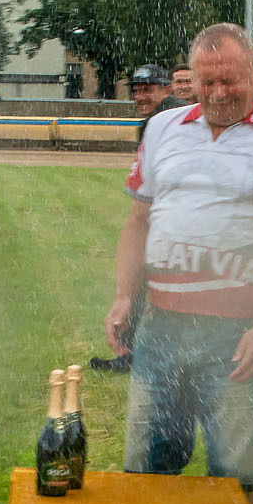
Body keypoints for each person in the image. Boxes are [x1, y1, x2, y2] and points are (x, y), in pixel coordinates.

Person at [104, 25, 253, 504]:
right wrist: (124, 297)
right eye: (207, 81)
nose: (218, 93)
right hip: (160, 328)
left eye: (230, 80)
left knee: (238, 477)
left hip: (234, 335)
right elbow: (138, 221)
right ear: (192, 78)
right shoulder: (163, 128)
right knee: (146, 468)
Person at [92, 65, 200, 372]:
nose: (140, 96)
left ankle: (143, 355)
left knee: (150, 285)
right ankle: (139, 353)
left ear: (166, 89)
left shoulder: (164, 119)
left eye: (147, 89)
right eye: (136, 90)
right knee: (145, 286)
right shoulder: (163, 116)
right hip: (175, 218)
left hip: (176, 220)